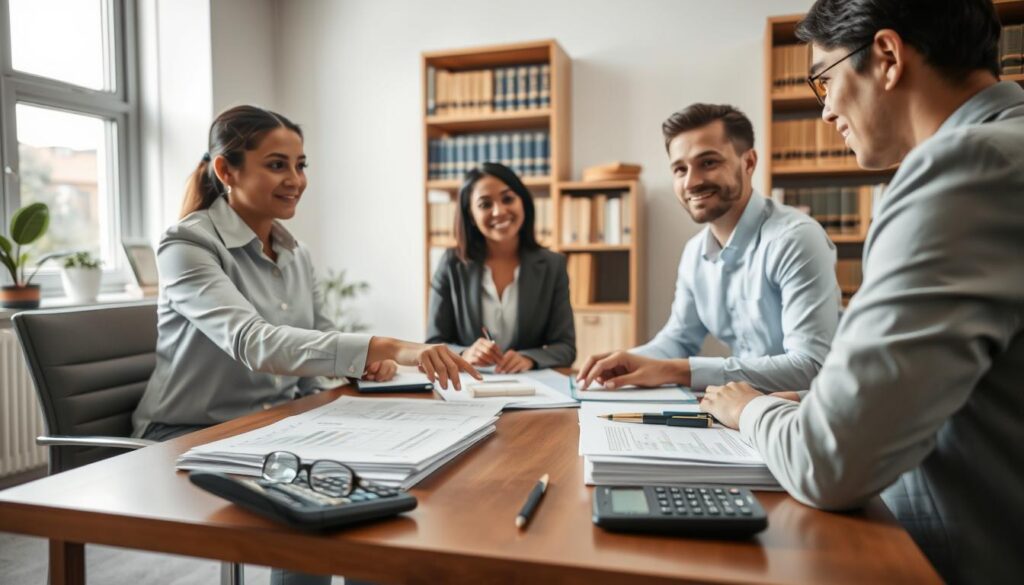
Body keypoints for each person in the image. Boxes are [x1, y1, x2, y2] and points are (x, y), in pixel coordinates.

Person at [698, 1, 1024, 583]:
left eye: (824, 77)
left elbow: (830, 462)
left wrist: (748, 409)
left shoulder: (964, 167)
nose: (824, 110)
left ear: (888, 57)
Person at [132, 105, 479, 585]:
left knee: (378, 501)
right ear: (225, 170)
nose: (295, 178)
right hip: (190, 433)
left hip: (274, 423)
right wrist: (391, 347)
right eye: (277, 164)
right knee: (327, 507)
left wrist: (360, 368)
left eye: (300, 165)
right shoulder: (186, 245)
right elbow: (255, 343)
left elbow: (316, 343)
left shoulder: (296, 252)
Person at [577, 104, 841, 396]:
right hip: (742, 409)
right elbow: (678, 340)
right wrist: (624, 360)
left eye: (708, 163)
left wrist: (677, 370)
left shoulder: (795, 239)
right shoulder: (694, 253)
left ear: (749, 163)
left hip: (801, 416)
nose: (691, 182)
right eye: (680, 169)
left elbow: (810, 367)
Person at [427, 162, 575, 373]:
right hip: (470, 388)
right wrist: (465, 353)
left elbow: (566, 347)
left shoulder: (553, 265)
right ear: (471, 215)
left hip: (531, 389)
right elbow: (433, 343)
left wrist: (529, 358)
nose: (499, 211)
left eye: (508, 199)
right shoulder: (452, 264)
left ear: (522, 201)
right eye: (485, 204)